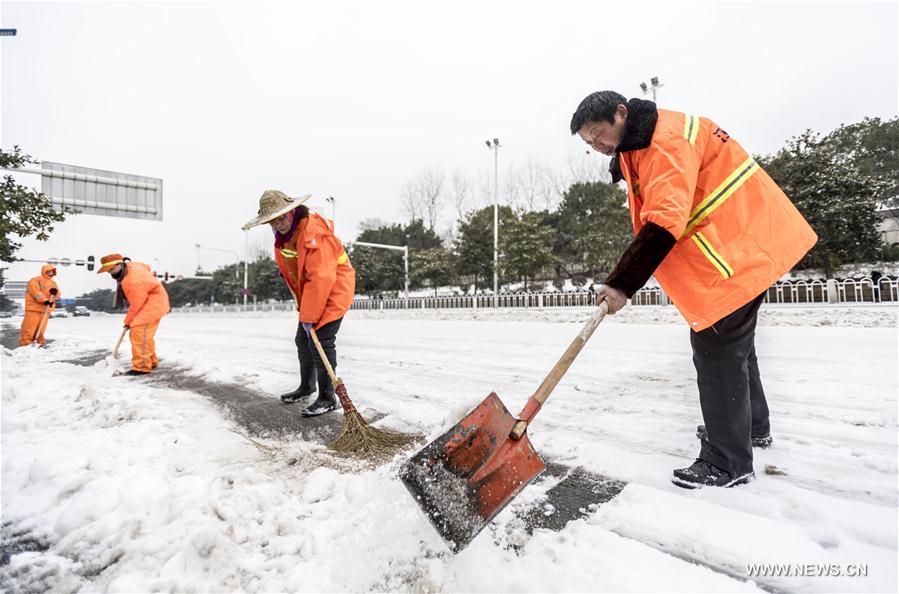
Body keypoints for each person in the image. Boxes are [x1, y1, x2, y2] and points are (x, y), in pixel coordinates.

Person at [570, 91, 817, 488]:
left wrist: (620, 284)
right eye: (589, 143)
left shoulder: (664, 141)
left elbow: (664, 221)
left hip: (733, 252)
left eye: (598, 134)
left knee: (717, 349)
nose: (597, 146)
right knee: (736, 347)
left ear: (621, 114)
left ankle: (727, 462)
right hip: (741, 245)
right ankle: (750, 429)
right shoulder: (641, 141)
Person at [243, 190, 355, 417]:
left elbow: (321, 277)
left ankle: (327, 398)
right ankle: (307, 387)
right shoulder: (284, 236)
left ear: (291, 212)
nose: (278, 224)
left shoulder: (314, 233)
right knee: (302, 340)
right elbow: (300, 269)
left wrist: (309, 317)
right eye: (272, 222)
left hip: (333, 290)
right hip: (312, 292)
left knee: (321, 342)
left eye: (281, 218)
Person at [97, 253, 170, 375]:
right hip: (154, 301)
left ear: (120, 264)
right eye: (108, 270)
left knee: (139, 332)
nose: (111, 272)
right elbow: (146, 266)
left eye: (112, 268)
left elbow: (136, 304)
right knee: (145, 334)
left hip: (152, 303)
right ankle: (151, 361)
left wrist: (128, 321)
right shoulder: (131, 266)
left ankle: (141, 367)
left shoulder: (131, 280)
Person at [18, 264, 60, 346]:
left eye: (52, 271)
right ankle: (25, 345)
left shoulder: (53, 283)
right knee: (29, 328)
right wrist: (44, 300)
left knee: (41, 330)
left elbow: (57, 295)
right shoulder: (36, 280)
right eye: (48, 271)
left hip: (45, 309)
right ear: (44, 271)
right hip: (33, 308)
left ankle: (39, 345)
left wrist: (56, 292)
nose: (50, 272)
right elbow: (34, 292)